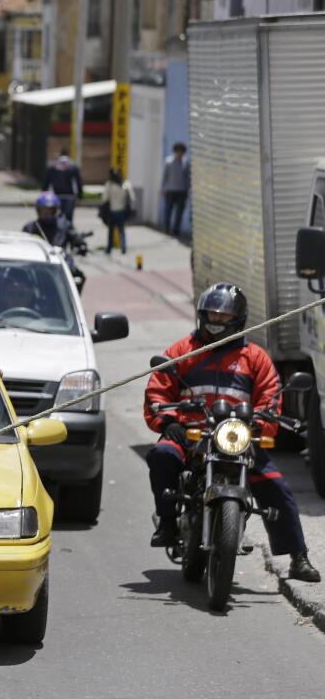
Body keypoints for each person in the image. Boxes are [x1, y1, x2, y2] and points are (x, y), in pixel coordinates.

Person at [143, 282, 319, 583]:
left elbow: (271, 397)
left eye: (223, 317)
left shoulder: (255, 357)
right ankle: (168, 523)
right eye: (211, 315)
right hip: (193, 437)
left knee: (276, 485)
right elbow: (157, 390)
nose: (216, 321)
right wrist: (169, 423)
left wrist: (258, 426)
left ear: (237, 318)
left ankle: (298, 557)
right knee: (161, 454)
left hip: (238, 438)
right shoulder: (181, 351)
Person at [41, 146, 82, 223]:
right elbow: (78, 182)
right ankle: (68, 233)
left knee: (56, 218)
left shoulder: (52, 166)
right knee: (68, 219)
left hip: (56, 196)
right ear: (68, 155)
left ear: (60, 154)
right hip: (69, 196)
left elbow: (46, 182)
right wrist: (80, 197)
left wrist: (44, 195)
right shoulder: (73, 166)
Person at [161, 142, 190, 236]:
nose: (179, 154)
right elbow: (164, 176)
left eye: (181, 152)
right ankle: (167, 229)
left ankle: (176, 230)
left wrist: (187, 190)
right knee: (168, 211)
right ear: (175, 151)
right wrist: (162, 188)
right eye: (178, 151)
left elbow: (187, 178)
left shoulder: (185, 163)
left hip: (181, 191)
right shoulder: (168, 162)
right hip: (170, 191)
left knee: (179, 213)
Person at [103, 167, 134, 254]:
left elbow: (104, 198)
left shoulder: (110, 184)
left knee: (111, 231)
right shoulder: (126, 184)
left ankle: (109, 248)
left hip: (112, 210)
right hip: (122, 211)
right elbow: (132, 198)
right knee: (121, 230)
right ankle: (123, 248)